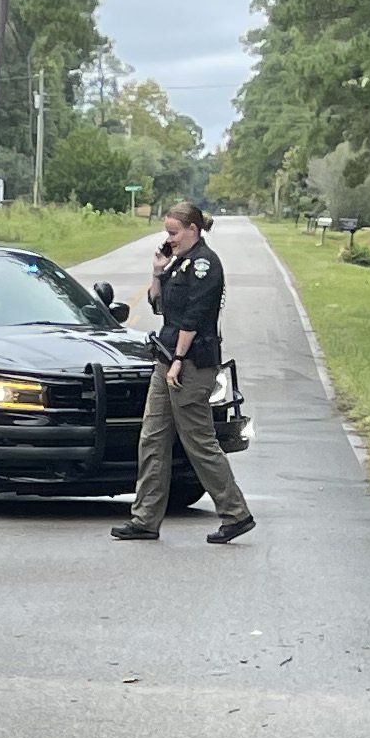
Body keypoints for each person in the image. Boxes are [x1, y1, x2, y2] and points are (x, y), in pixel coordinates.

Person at [113, 200, 254, 547]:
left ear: (193, 229)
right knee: (152, 438)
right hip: (168, 359)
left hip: (190, 364)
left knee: (198, 441)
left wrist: (177, 358)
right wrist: (158, 270)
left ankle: (236, 514)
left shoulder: (205, 264)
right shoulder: (179, 264)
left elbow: (195, 316)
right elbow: (161, 308)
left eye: (174, 233)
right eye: (167, 233)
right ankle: (145, 518)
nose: (169, 238)